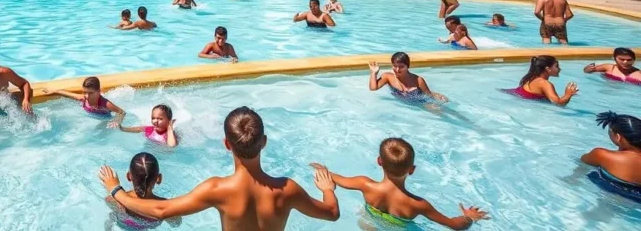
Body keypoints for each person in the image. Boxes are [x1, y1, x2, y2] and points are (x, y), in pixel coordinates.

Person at [99, 106, 340, 229]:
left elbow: (162, 211)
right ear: (264, 142)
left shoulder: (217, 189)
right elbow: (332, 213)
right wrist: (328, 188)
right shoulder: (288, 189)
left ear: (226, 144)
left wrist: (116, 190)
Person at [311, 138, 487, 229]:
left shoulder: (364, 184)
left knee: (366, 221)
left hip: (368, 224)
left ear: (379, 161)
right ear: (412, 170)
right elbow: (454, 225)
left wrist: (324, 170)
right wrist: (469, 217)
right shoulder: (418, 204)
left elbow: (335, 179)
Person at [104, 153, 182, 229]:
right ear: (159, 179)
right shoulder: (164, 208)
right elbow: (176, 223)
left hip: (121, 226)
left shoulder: (114, 200)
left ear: (128, 176)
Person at [581, 112, 641, 201]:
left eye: (610, 131)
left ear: (618, 137)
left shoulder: (601, 155)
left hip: (613, 197)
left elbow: (583, 162)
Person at [368, 52, 448, 102]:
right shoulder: (388, 77)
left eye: (401, 67)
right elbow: (373, 88)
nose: (397, 70)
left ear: (408, 66)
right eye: (395, 66)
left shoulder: (418, 80)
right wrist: (374, 73)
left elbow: (429, 97)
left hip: (420, 102)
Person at [503, 55, 578, 105]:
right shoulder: (545, 84)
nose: (559, 69)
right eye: (557, 66)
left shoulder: (531, 76)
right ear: (548, 69)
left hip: (511, 95)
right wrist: (568, 94)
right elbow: (557, 103)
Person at [45, 76, 125, 120]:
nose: (86, 96)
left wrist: (117, 121)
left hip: (104, 119)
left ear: (98, 91)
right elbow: (67, 94)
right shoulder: (83, 99)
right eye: (84, 92)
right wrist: (54, 91)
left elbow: (122, 113)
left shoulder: (106, 104)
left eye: (90, 93)